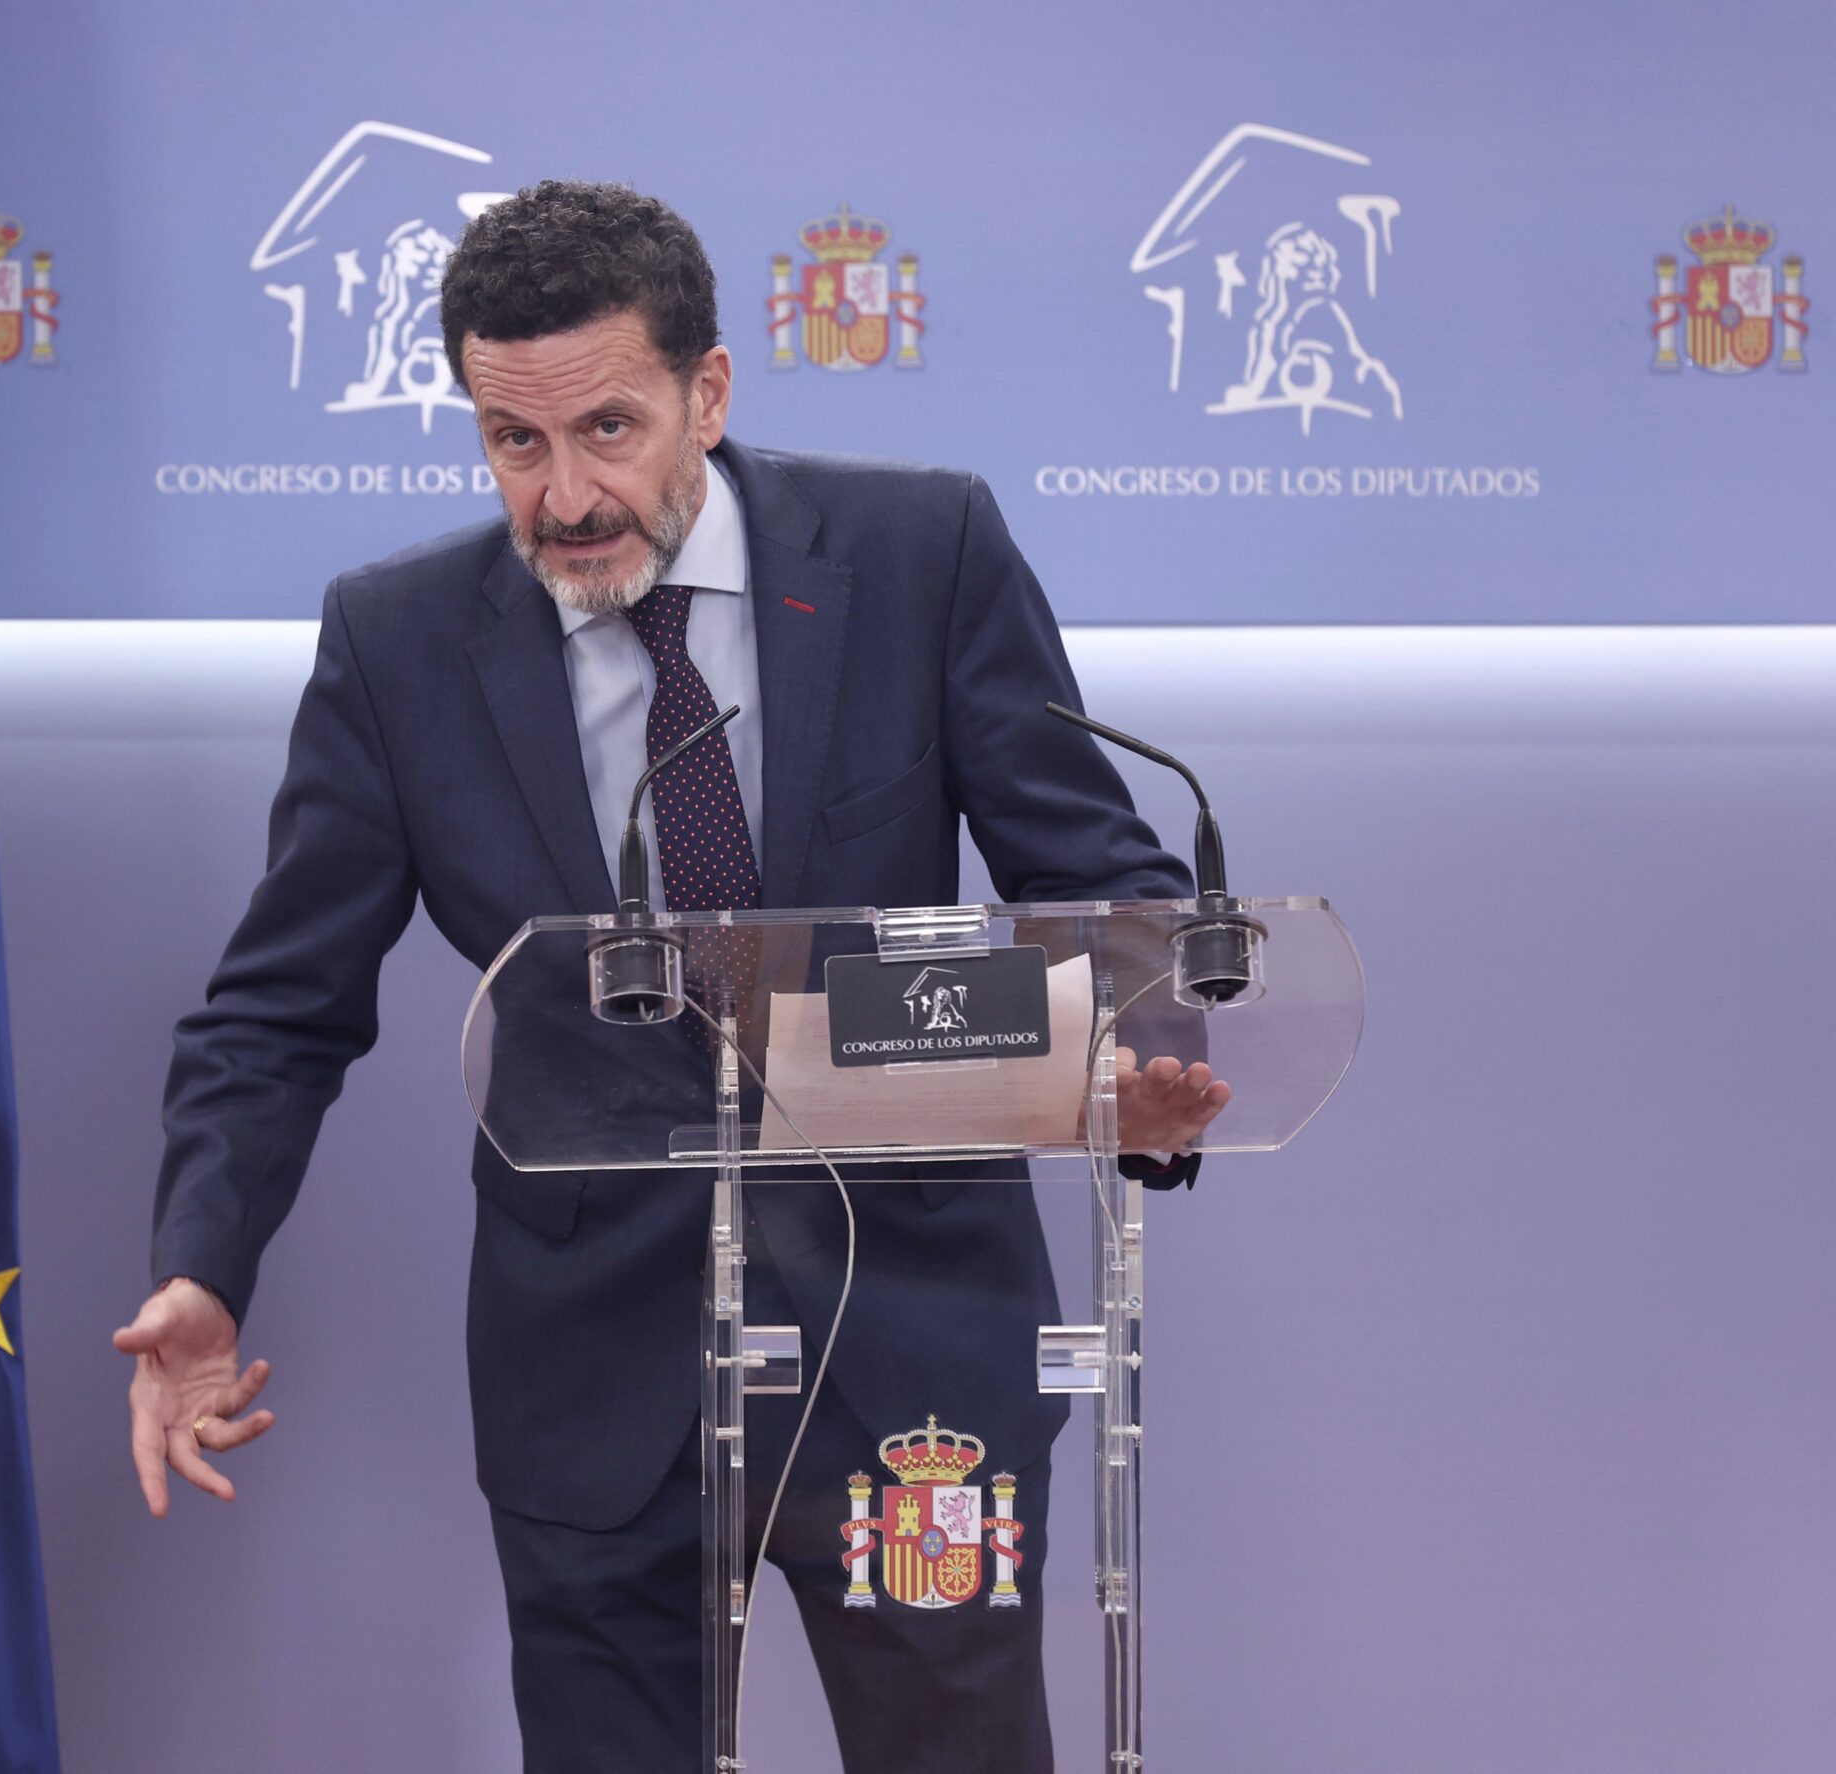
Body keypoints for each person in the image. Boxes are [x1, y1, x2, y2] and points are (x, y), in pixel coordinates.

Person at [114, 181, 1229, 1772]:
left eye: (609, 430)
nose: (564, 495)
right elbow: (278, 1008)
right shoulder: (398, 641)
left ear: (708, 391)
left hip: (915, 1343)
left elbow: (1097, 874)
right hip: (596, 1370)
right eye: (512, 441)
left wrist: (1138, 1048)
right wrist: (205, 1265)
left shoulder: (920, 554)